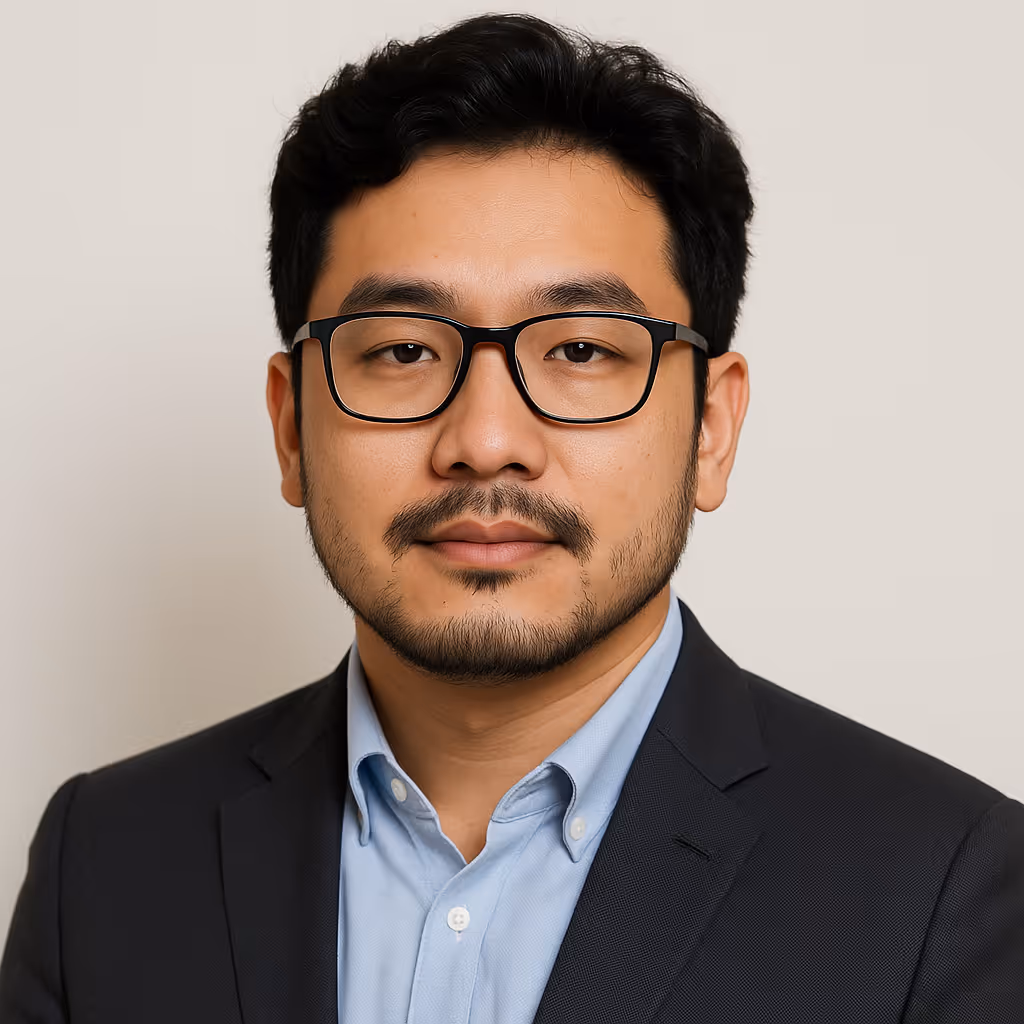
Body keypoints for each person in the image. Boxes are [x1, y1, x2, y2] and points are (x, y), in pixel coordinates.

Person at [2, 12, 1022, 1024]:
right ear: (291, 428)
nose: (486, 439)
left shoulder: (947, 888)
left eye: (581, 351)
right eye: (402, 350)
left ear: (710, 427)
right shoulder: (104, 860)